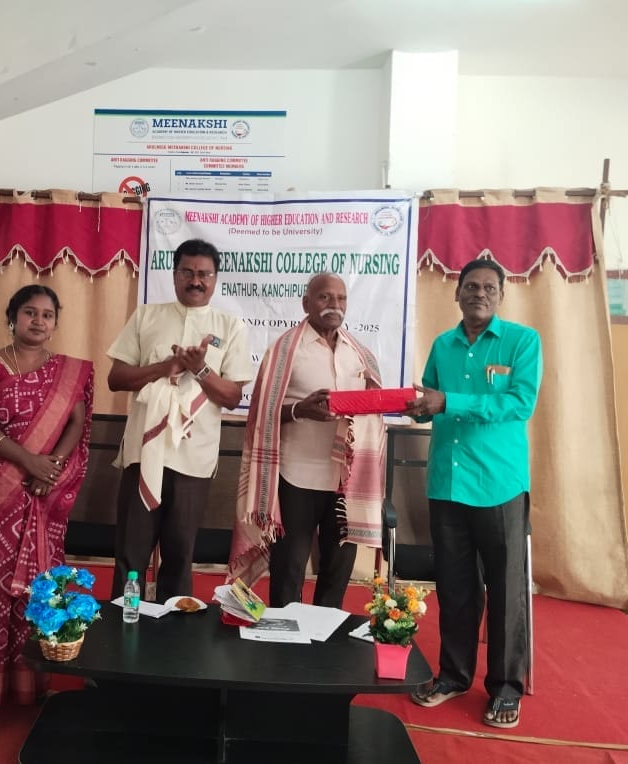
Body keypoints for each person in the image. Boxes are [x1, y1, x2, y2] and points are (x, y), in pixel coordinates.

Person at [404, 257, 542, 730]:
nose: (479, 293)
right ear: (457, 293)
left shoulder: (522, 341)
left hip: (499, 485)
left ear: (500, 296)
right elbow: (429, 400)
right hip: (448, 483)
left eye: (489, 287)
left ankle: (505, 688)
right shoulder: (443, 345)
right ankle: (453, 676)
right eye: (471, 286)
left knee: (505, 590)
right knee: (455, 588)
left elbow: (519, 402)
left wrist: (448, 401)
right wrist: (415, 406)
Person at [0, 285, 94, 712]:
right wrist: (30, 461)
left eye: (47, 315)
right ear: (12, 318)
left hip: (43, 489)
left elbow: (75, 423)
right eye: (30, 312)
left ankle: (33, 681)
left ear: (55, 324)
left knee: (38, 587)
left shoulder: (67, 371)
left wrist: (52, 468)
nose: (38, 321)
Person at [108, 238, 254, 603]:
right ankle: (124, 624)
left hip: (193, 459)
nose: (196, 281)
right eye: (187, 272)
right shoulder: (146, 316)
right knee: (130, 554)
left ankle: (173, 631)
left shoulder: (230, 326)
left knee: (179, 555)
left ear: (215, 279)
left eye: (204, 274)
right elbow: (116, 378)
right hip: (143, 453)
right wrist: (165, 367)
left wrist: (200, 369)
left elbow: (232, 396)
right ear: (174, 275)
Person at [228, 272, 386, 608]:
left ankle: (326, 635)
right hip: (296, 476)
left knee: (338, 569)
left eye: (341, 298)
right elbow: (261, 414)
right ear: (306, 303)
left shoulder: (359, 354)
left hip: (345, 482)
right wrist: (300, 409)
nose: (334, 305)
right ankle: (284, 634)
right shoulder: (285, 351)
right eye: (325, 297)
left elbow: (374, 411)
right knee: (289, 568)